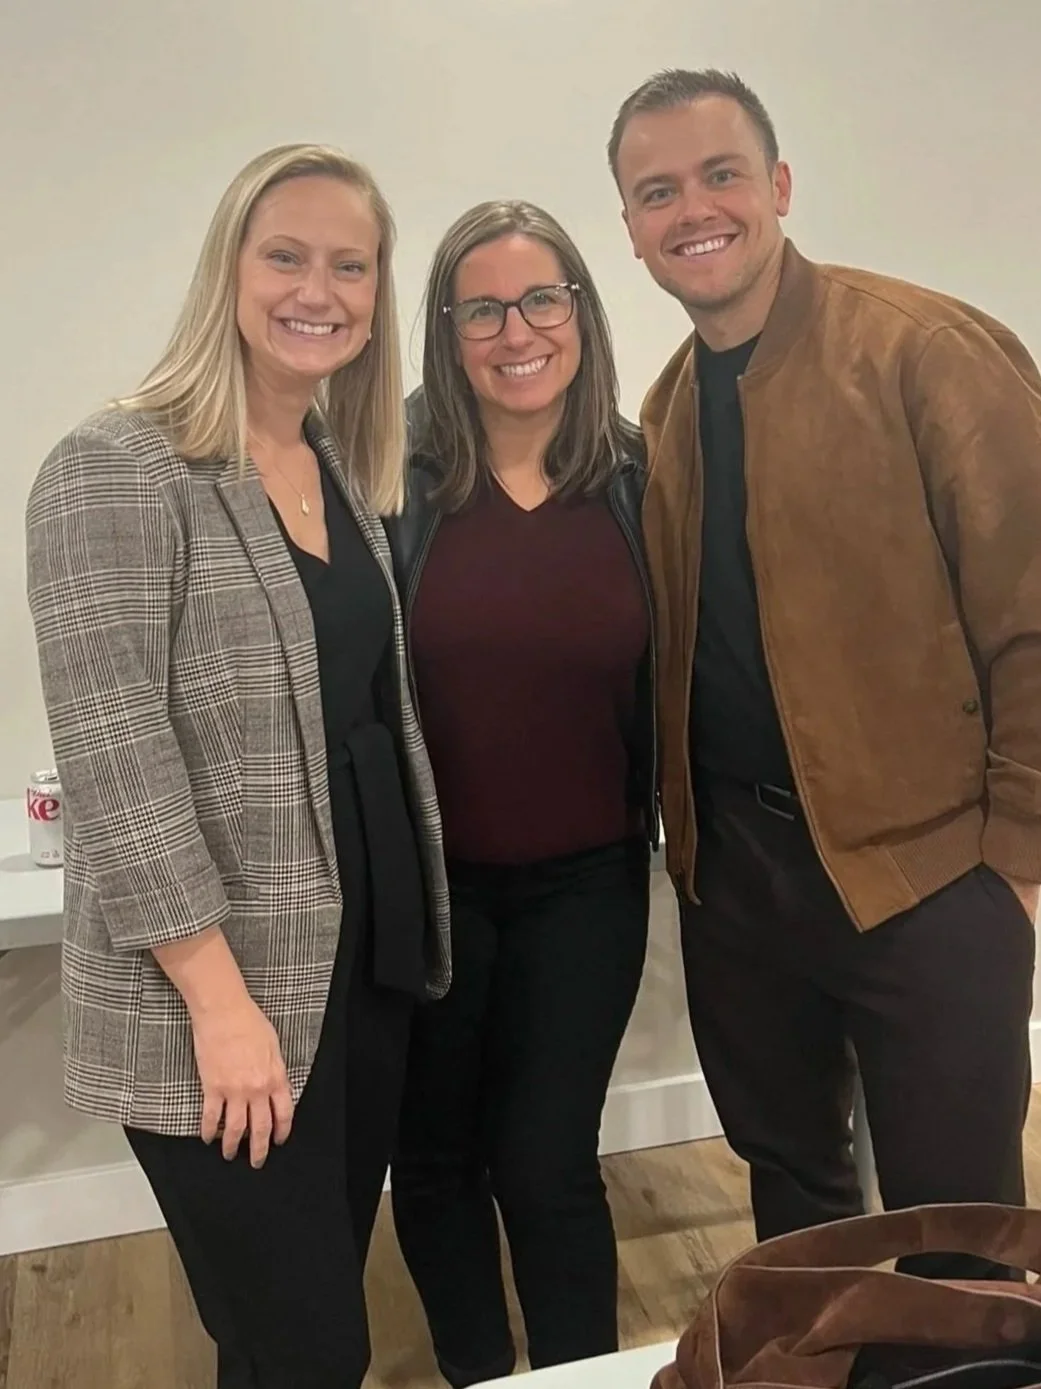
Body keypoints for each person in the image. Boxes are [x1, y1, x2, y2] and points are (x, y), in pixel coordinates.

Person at [24, 144, 450, 1389]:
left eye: (351, 266)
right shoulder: (117, 466)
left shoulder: (337, 466)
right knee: (309, 1345)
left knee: (283, 1339)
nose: (319, 291)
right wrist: (219, 1003)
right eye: (286, 257)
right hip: (221, 993)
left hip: (358, 969)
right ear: (229, 268)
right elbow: (115, 754)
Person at [608, 67, 1041, 1280]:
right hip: (741, 889)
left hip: (929, 877)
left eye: (721, 174)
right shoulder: (668, 411)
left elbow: (1033, 612)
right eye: (657, 191)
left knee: (958, 1230)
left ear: (780, 185)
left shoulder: (926, 354)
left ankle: (962, 1364)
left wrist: (1015, 871)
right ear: (631, 229)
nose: (694, 209)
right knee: (797, 1204)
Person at [384, 200, 657, 1383]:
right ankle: (478, 1373)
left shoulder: (642, 476)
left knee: (549, 1165)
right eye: (481, 309)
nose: (516, 332)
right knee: (437, 1162)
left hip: (587, 889)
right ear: (445, 332)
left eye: (543, 298)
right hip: (427, 893)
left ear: (582, 313)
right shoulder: (385, 479)